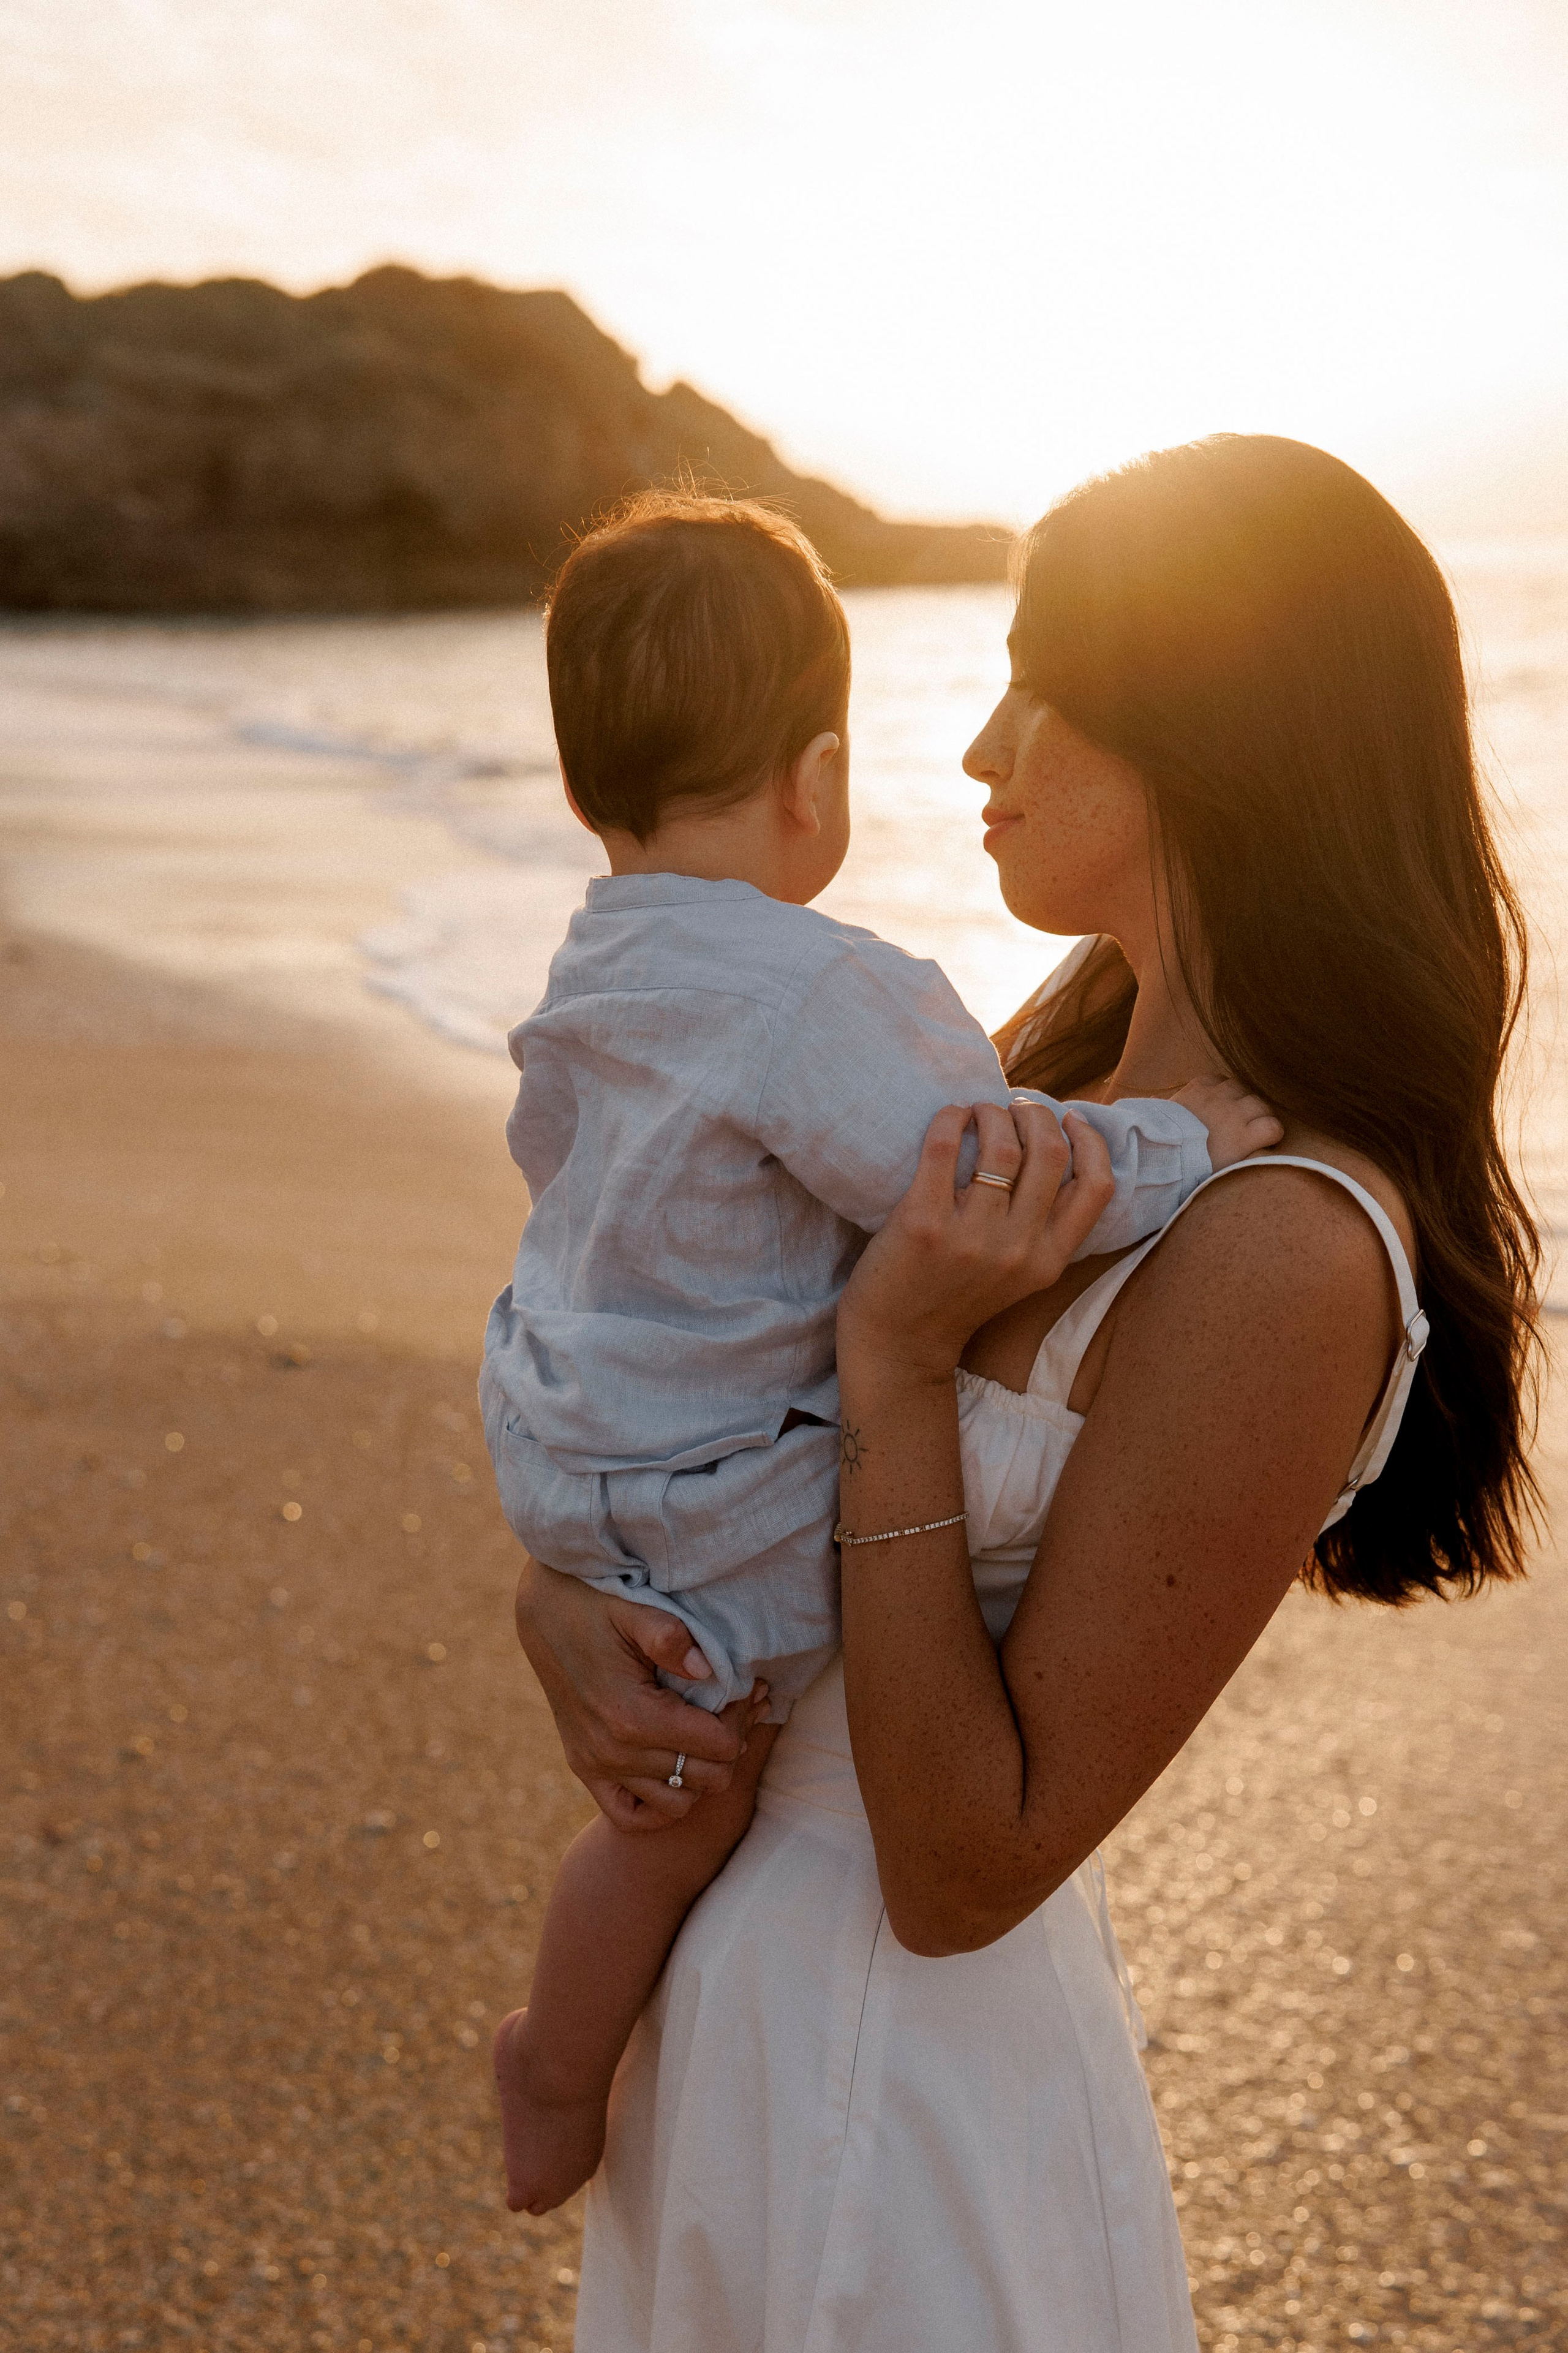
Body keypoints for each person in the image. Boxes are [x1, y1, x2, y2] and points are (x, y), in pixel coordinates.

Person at [513, 436, 1541, 2353]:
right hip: (725, 2012)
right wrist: (563, 1605)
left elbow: (967, 1862)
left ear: (1205, 728)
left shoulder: (1286, 1240)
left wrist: (901, 1362)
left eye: (1039, 685)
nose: (982, 750)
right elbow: (686, 1370)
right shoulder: (1020, 1095)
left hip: (899, 2077)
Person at [478, 488, 1278, 2214]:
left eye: (1042, 684)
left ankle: (558, 2054)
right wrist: (1185, 1145)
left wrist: (565, 1559)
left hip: (580, 1435)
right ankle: (551, 2056)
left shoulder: (600, 960)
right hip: (820, 1980)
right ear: (815, 781)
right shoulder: (830, 999)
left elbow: (582, 1190)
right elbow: (973, 1174)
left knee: (665, 1805)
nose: (985, 742)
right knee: (675, 1797)